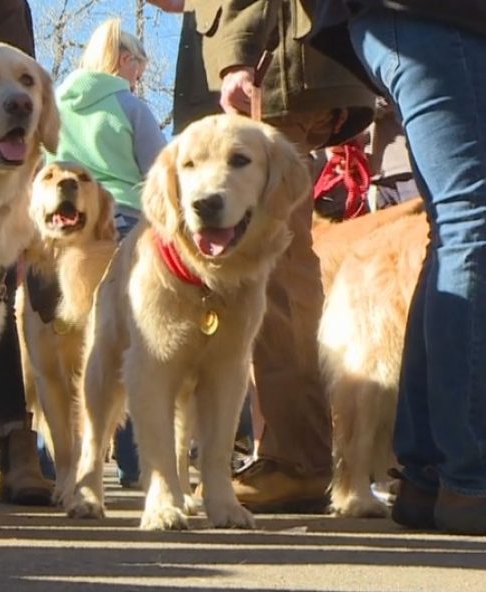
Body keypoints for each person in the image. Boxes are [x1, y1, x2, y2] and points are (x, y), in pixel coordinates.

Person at [161, 0, 375, 512]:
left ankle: (297, 458)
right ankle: (282, 451)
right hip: (267, 58)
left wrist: (237, 50)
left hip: (270, 62)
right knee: (259, 265)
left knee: (274, 262)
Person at [309, 1, 486, 535]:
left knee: (458, 225)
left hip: (422, 17)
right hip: (443, 14)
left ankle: (431, 476)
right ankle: (476, 475)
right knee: (474, 221)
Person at [45, 17, 167, 488]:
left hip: (59, 234)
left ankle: (59, 460)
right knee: (132, 339)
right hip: (124, 228)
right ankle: (138, 465)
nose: (139, 73)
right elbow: (159, 176)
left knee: (58, 350)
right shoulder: (130, 107)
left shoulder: (53, 103)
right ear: (123, 59)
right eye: (138, 62)